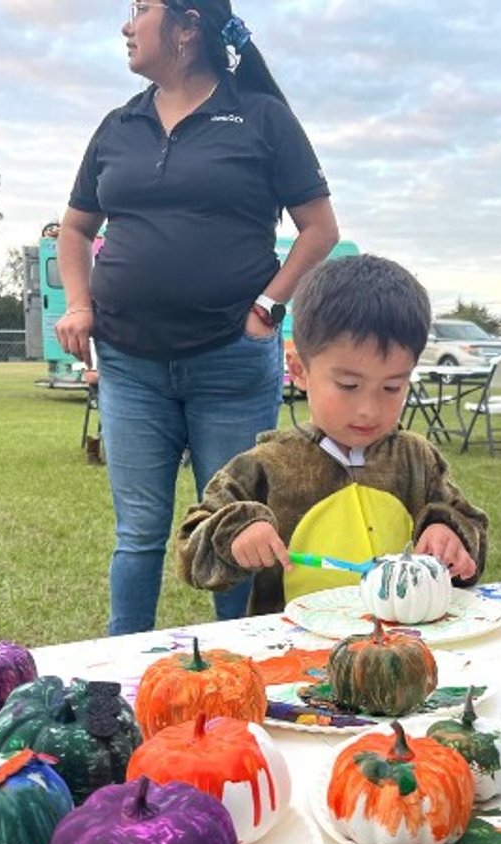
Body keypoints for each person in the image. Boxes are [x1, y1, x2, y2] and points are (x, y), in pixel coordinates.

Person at [55, 1, 339, 635]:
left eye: (142, 10)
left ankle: (241, 661)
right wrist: (79, 303)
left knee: (235, 524)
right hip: (129, 365)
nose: (127, 27)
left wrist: (269, 307)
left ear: (188, 26)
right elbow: (74, 229)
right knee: (139, 533)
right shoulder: (117, 126)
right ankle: (118, 677)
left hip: (230, 361)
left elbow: (319, 228)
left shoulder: (261, 117)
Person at [175, 254, 489, 615]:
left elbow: (472, 528)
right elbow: (189, 547)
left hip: (406, 645)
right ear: (299, 371)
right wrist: (234, 533)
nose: (368, 409)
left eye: (391, 387)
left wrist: (449, 534)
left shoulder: (417, 460)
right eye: (348, 384)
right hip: (294, 651)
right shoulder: (266, 466)